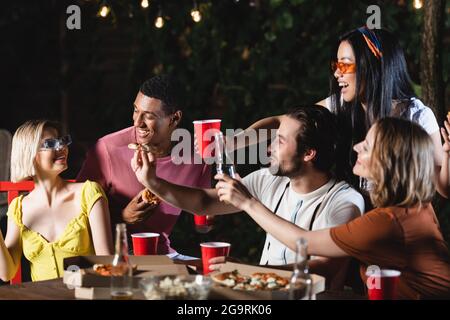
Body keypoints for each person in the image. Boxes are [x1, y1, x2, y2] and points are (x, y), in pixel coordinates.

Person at [131, 105, 365, 288]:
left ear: (308, 153)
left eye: (280, 141)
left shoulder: (344, 203)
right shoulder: (270, 179)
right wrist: (153, 182)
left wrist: (248, 271)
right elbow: (205, 202)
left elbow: (321, 269)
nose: (269, 148)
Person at [217, 117, 450, 299]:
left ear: (389, 160)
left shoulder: (387, 222)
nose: (357, 147)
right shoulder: (415, 207)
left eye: (367, 147)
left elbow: (303, 242)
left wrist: (247, 202)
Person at [241, 27, 447, 197]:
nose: (337, 73)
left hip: (393, 229)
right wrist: (235, 142)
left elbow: (443, 187)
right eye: (336, 65)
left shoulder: (416, 116)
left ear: (372, 66)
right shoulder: (339, 104)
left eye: (345, 65)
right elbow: (284, 122)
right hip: (351, 222)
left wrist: (447, 155)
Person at [77, 74, 211, 256]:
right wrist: (123, 216)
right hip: (111, 257)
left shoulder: (197, 157)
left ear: (174, 119)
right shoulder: (108, 149)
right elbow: (75, 213)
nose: (137, 122)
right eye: (135, 110)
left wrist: (212, 213)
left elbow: (204, 223)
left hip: (163, 256)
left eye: (148, 116)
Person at [0, 120, 113, 282]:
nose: (62, 148)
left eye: (62, 141)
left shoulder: (88, 193)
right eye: (50, 143)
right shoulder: (18, 208)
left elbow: (106, 263)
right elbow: (6, 273)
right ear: (29, 154)